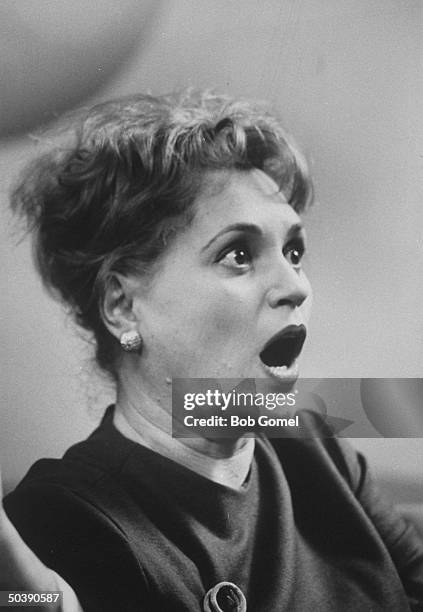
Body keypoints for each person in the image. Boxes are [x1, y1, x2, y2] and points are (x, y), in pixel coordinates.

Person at [1, 89, 423, 611]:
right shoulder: (60, 515)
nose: (295, 286)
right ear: (123, 307)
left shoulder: (314, 444)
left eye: (294, 251)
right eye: (239, 254)